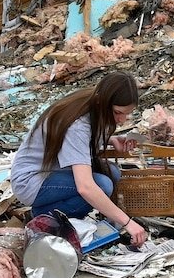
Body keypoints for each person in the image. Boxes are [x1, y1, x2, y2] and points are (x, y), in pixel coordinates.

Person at [9, 71, 148, 246]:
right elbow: (85, 187)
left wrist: (111, 140)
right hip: (31, 180)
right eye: (118, 112)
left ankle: (50, 210)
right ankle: (44, 217)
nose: (122, 120)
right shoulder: (77, 125)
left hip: (52, 171)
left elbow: (82, 142)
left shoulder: (92, 102)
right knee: (102, 185)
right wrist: (127, 222)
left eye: (127, 114)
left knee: (113, 173)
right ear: (103, 102)